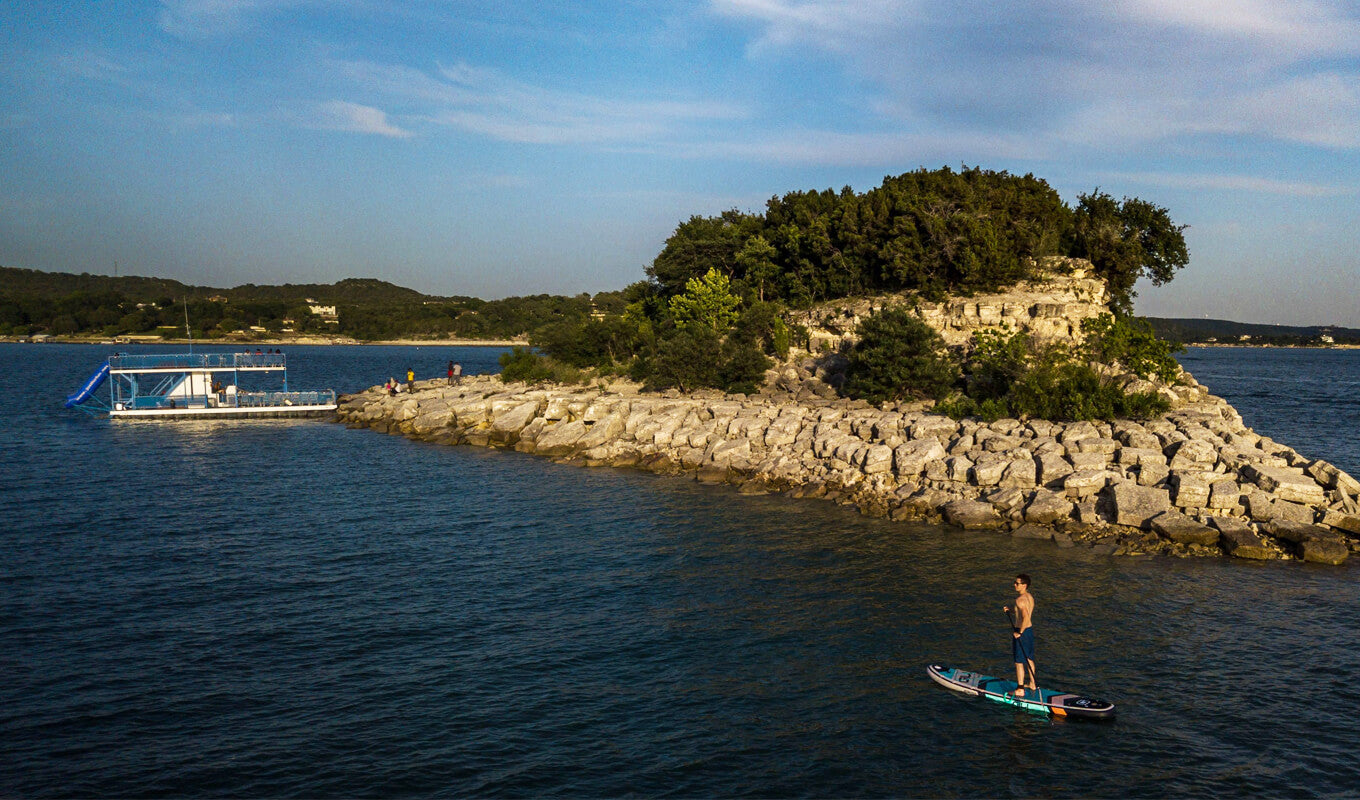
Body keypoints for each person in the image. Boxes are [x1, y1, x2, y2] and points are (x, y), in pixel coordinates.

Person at [1003, 574, 1036, 697]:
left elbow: (1025, 617)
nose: (1014, 585)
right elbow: (1023, 611)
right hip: (1029, 631)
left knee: (1018, 662)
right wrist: (1011, 610)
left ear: (1024, 585)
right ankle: (1032, 684)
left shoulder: (1020, 600)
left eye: (1017, 583)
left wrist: (1019, 633)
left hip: (1022, 631)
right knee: (1029, 658)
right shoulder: (1029, 597)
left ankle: (1020, 689)